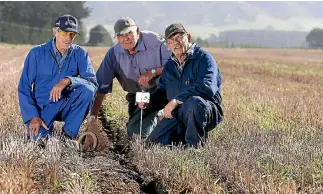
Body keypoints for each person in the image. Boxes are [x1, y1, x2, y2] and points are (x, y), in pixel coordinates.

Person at [138, 23, 223, 147]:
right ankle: (181, 143)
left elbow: (207, 88)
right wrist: (148, 101)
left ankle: (195, 148)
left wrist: (176, 101)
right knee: (151, 145)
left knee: (194, 102)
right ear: (167, 45)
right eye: (171, 40)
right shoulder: (169, 66)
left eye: (179, 38)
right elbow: (162, 93)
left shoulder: (204, 58)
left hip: (204, 110)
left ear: (188, 37)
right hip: (177, 113)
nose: (176, 43)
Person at [89, 17, 172, 139]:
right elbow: (101, 88)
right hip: (139, 97)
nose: (126, 38)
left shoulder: (156, 41)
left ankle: (165, 114)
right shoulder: (113, 54)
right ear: (117, 38)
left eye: (129, 33)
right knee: (136, 133)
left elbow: (176, 66)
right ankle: (156, 117)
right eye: (121, 35)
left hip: (163, 93)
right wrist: (92, 120)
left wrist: (154, 71)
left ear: (137, 31)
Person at [18, 14, 98, 141]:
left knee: (88, 91)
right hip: (43, 107)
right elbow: (24, 87)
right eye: (65, 33)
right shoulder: (36, 53)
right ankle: (42, 131)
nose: (69, 38)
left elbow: (92, 83)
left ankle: (68, 135)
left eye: (72, 34)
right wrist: (32, 116)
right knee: (37, 141)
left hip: (67, 104)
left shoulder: (80, 53)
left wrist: (68, 80)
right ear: (55, 31)